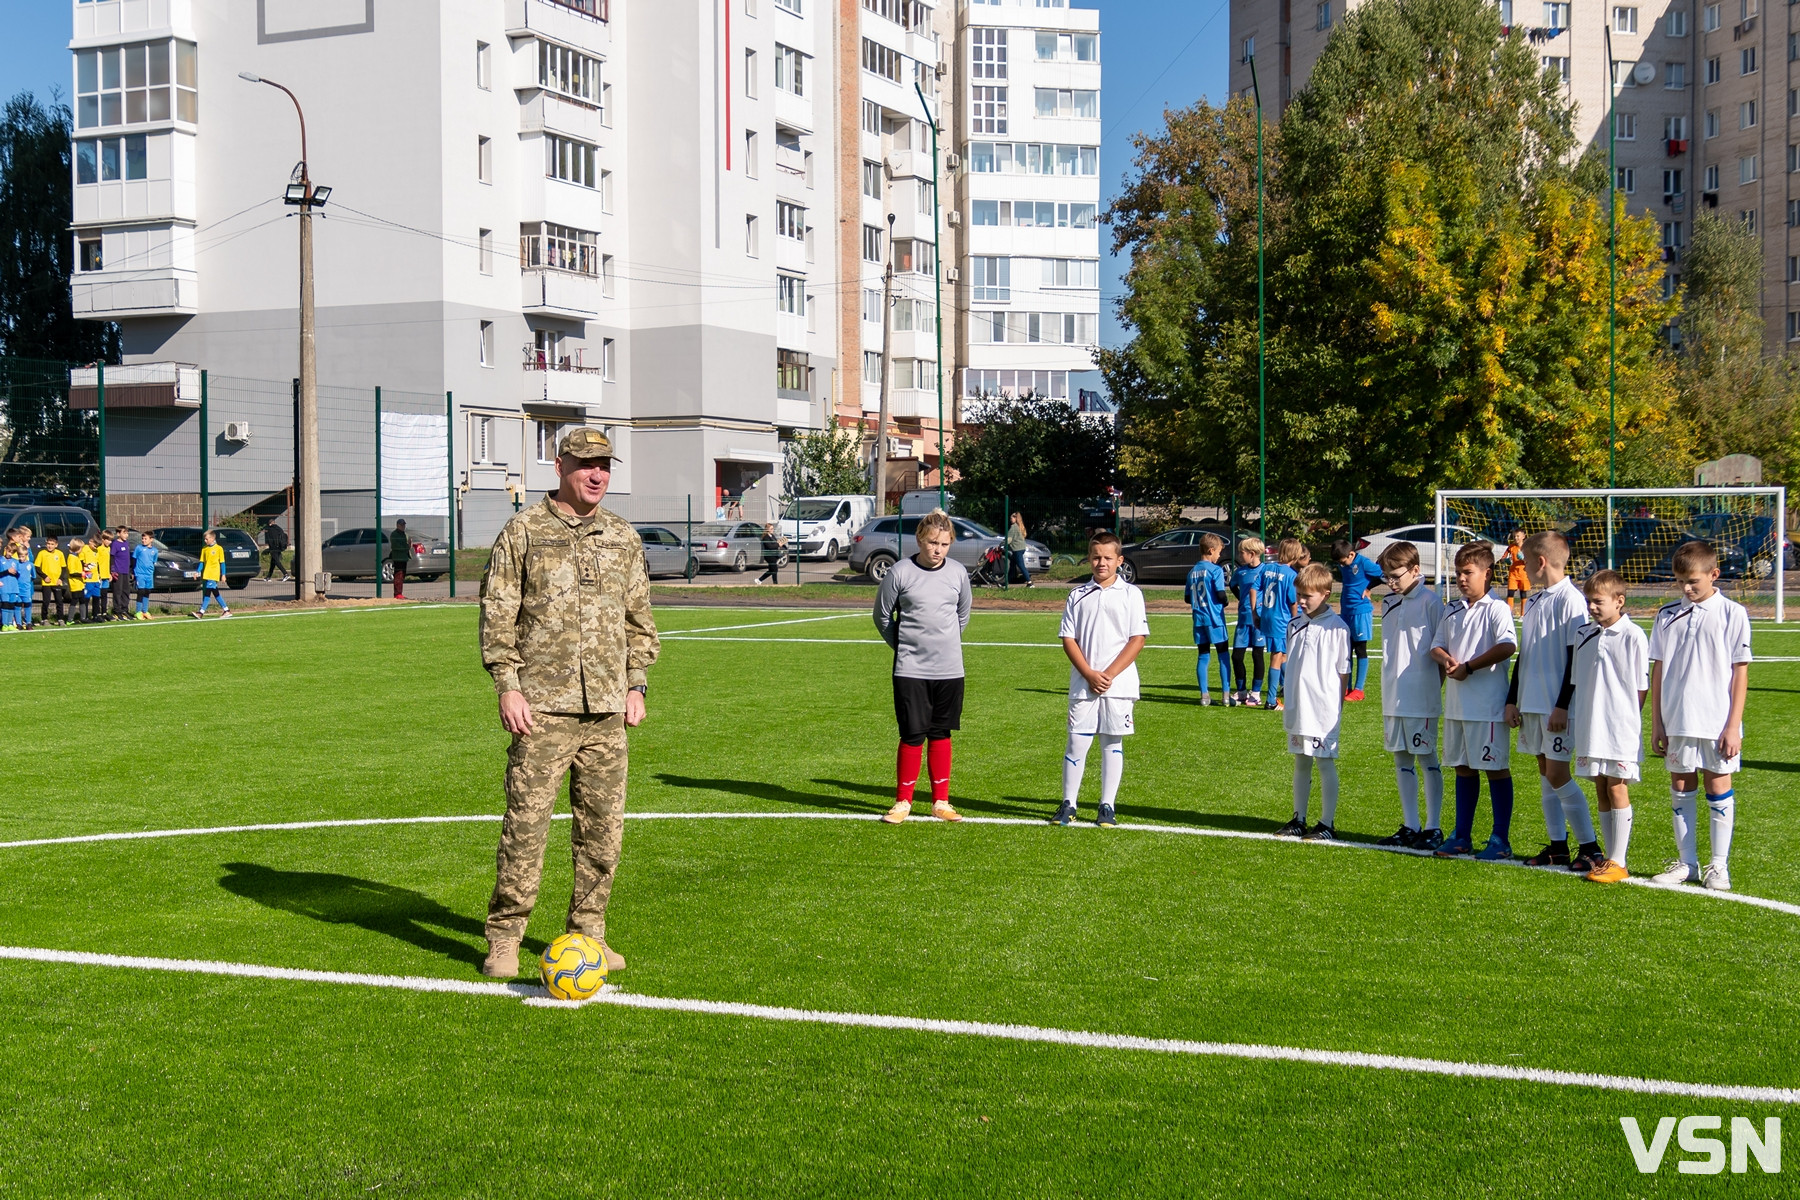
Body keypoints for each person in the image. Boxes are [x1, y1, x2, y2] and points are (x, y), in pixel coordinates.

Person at [478, 427, 660, 979]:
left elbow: (639, 618)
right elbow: (497, 615)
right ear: (560, 466)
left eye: (604, 464)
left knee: (603, 830)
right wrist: (508, 684)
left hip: (607, 709)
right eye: (585, 464)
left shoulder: (623, 537)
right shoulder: (524, 531)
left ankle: (590, 932)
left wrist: (636, 681)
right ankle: (506, 937)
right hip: (542, 710)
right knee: (527, 827)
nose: (597, 474)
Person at [1647, 541, 1751, 892]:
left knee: (1718, 785)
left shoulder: (1732, 613)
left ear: (1714, 574)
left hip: (1716, 720)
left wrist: (1733, 725)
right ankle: (1686, 863)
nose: (1686, 589)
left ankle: (1718, 867)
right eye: (1680, 582)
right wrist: (1657, 722)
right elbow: (1658, 671)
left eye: (1693, 581)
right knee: (1680, 785)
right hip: (1677, 719)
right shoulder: (1666, 615)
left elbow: (1740, 673)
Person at [1506, 531, 1600, 870]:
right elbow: (1526, 653)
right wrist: (1512, 699)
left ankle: (1590, 848)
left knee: (1558, 773)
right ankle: (1558, 846)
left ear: (1541, 562)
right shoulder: (1534, 600)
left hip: (1555, 706)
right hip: (1532, 703)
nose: (1523, 567)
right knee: (1546, 773)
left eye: (1525, 561)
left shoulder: (1571, 600)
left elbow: (1576, 656)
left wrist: (1563, 705)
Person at [872, 508, 973, 824]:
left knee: (941, 733)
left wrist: (945, 645)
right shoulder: (900, 572)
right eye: (932, 543)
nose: (937, 549)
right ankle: (903, 802)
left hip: (950, 670)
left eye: (943, 544)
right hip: (910, 669)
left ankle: (941, 801)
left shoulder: (957, 573)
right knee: (913, 734)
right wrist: (904, 647)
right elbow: (882, 617)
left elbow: (963, 615)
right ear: (919, 540)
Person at [1557, 570, 1649, 884]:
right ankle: (1609, 859)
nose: (1592, 607)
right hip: (1590, 723)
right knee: (1600, 786)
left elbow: (1640, 687)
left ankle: (1619, 861)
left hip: (1619, 725)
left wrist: (1627, 720)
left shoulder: (1633, 634)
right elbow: (1578, 681)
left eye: (1598, 601)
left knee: (1616, 787)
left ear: (1619, 601)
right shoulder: (1583, 634)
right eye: (1588, 601)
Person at [1053, 532, 1150, 827]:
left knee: (1111, 743)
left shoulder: (1132, 594)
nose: (1101, 563)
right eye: (1096, 557)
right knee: (1076, 743)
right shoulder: (1077, 595)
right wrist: (1089, 674)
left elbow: (1137, 638)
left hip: (1118, 685)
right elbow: (1068, 638)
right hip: (1084, 685)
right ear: (1089, 558)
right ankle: (1069, 804)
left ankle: (1107, 806)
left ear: (1119, 561)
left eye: (1108, 558)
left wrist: (1108, 674)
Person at [1430, 541, 1518, 859]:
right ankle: (1461, 835)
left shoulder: (1497, 609)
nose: (1461, 579)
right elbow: (1436, 646)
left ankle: (1500, 840)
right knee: (1463, 768)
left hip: (1488, 707)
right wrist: (1447, 660)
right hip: (1457, 707)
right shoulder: (1452, 609)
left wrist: (1469, 666)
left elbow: (1508, 645)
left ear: (1487, 573)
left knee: (1495, 769)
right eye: (1458, 573)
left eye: (1468, 572)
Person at [1375, 541, 1448, 850]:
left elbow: (1442, 651)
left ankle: (1433, 827)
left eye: (1396, 576)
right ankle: (1410, 825)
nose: (1391, 583)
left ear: (1416, 570)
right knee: (1401, 760)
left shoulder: (1432, 603)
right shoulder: (1389, 603)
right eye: (1386, 577)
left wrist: (1433, 687)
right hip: (1393, 695)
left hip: (1422, 696)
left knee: (1427, 759)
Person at [1276, 563, 1353, 841]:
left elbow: (1343, 672)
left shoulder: (1338, 628)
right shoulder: (1294, 624)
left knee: (1324, 762)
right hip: (1299, 707)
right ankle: (1299, 818)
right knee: (1301, 761)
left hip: (1323, 710)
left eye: (1308, 595)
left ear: (1326, 593)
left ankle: (1327, 823)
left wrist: (1337, 706)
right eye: (1299, 595)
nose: (1302, 601)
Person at [1331, 539, 1384, 701]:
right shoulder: (1344, 563)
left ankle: (1359, 689)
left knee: (1360, 649)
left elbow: (1383, 575)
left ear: (1352, 554)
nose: (1342, 565)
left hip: (1361, 611)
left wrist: (1368, 588)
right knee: (1346, 650)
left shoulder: (1363, 563)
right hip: (1346, 611)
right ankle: (1346, 687)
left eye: (1343, 561)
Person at [1184, 532, 1231, 705]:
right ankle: (1226, 695)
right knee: (1223, 655)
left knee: (1203, 655)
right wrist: (1224, 602)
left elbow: (1187, 598)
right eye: (1219, 552)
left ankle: (1204, 695)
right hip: (1215, 619)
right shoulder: (1215, 570)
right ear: (1211, 550)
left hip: (1199, 619)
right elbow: (1220, 594)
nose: (1219, 556)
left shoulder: (1192, 571)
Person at [1256, 539, 1302, 711]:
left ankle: (1286, 687)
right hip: (1280, 621)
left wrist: (1255, 612)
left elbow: (1256, 588)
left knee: (1283, 655)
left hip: (1267, 617)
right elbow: (1292, 601)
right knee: (1277, 656)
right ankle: (1271, 700)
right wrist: (1296, 620)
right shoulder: (1291, 575)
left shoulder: (1267, 568)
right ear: (1295, 555)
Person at [1230, 538, 1265, 706]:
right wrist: (1242, 600)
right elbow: (1232, 585)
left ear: (1252, 554)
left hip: (1259, 621)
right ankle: (1242, 690)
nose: (1239, 555)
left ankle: (1256, 693)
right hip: (1243, 619)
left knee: (1257, 655)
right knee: (1237, 656)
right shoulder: (1241, 572)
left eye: (1241, 553)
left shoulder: (1266, 571)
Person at [192, 530, 232, 617]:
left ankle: (201, 612)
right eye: (204, 539)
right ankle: (226, 610)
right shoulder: (204, 549)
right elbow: (202, 562)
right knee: (215, 593)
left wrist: (223, 574)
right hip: (206, 574)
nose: (205, 541)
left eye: (206, 539)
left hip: (214, 574)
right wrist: (197, 572)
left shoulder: (219, 549)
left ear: (212, 538)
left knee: (207, 593)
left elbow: (222, 563)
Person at [34, 536, 65, 625]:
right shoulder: (42, 553)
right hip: (46, 582)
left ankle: (60, 619)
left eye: (52, 544)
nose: (50, 546)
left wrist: (60, 578)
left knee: (59, 601)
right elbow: (37, 567)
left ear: (56, 545)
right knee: (46, 601)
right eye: (48, 544)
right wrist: (44, 577)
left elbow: (63, 568)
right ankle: (44, 619)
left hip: (56, 582)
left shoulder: (60, 554)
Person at [1502, 531, 1531, 619]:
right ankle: (1509, 613)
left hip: (1524, 573)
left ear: (1523, 536)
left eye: (1518, 536)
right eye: (1514, 536)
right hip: (1513, 573)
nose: (1516, 538)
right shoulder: (1511, 547)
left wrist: (1524, 558)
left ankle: (1523, 615)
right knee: (1510, 593)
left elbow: (1531, 560)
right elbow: (1503, 557)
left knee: (1523, 594)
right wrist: (1506, 560)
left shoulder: (1527, 547)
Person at [131, 531, 160, 620]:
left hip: (149, 574)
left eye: (145, 539)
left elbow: (153, 561)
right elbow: (134, 559)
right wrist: (133, 572)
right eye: (142, 539)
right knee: (141, 591)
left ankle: (145, 611)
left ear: (151, 540)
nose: (143, 540)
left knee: (147, 592)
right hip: (140, 574)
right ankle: (138, 611)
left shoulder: (155, 551)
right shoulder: (139, 548)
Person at [1006, 512, 1033, 587]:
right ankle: (1006, 581)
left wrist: (1001, 544)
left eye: (1012, 518)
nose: (1010, 519)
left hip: (1017, 549)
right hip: (1021, 548)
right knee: (1012, 565)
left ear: (1015, 518)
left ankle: (1029, 582)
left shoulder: (1013, 527)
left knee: (1021, 565)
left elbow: (1009, 539)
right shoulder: (1020, 526)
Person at [109, 528, 131, 619]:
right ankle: (117, 611)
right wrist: (113, 570)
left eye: (127, 533)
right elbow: (112, 558)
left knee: (126, 591)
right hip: (118, 572)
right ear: (118, 534)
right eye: (124, 533)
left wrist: (130, 570)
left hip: (126, 571)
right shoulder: (115, 544)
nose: (126, 535)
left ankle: (124, 610)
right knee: (118, 591)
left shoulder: (126, 543)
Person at [388, 519, 412, 599]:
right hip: (398, 558)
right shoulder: (394, 534)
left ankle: (399, 593)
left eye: (404, 525)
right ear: (397, 525)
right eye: (401, 525)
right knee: (398, 575)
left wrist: (409, 545)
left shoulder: (405, 534)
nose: (403, 526)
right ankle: (397, 594)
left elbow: (407, 545)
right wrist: (406, 546)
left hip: (404, 558)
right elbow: (396, 546)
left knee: (402, 576)